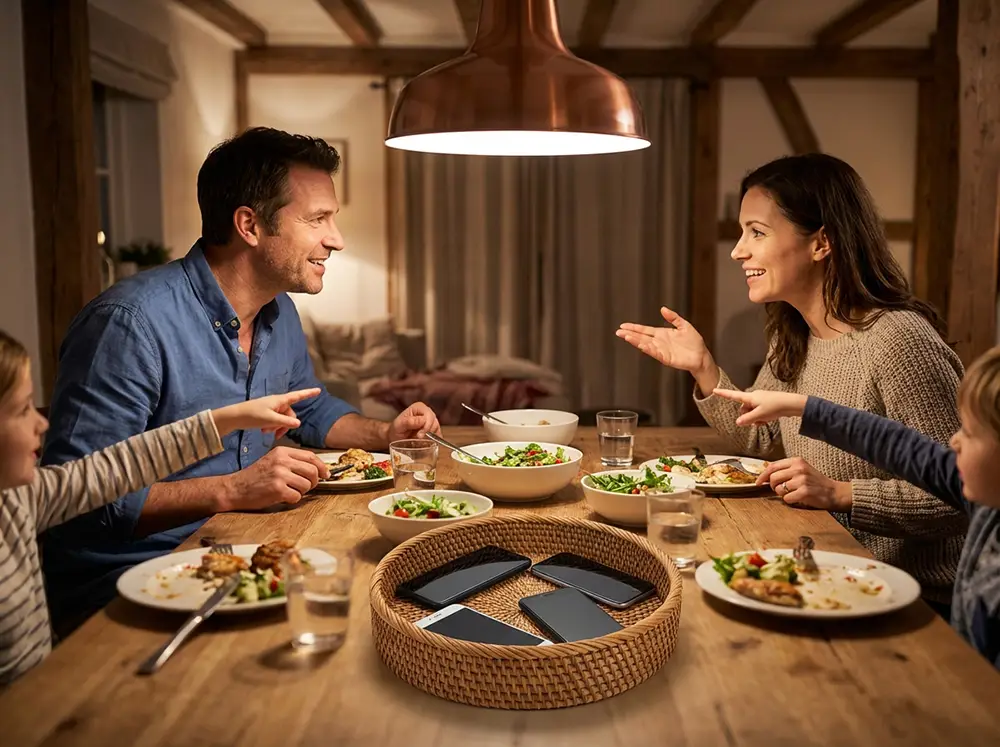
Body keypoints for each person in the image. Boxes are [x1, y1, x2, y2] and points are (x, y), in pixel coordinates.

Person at [41, 127, 441, 635]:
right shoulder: (127, 324)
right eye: (318, 219)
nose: (335, 239)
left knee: (391, 605)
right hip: (123, 594)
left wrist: (386, 436)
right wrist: (232, 489)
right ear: (250, 225)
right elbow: (79, 502)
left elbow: (310, 410)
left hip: (239, 554)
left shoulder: (280, 312)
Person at [617, 153, 966, 614]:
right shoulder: (795, 332)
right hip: (831, 572)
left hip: (918, 601)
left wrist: (840, 493)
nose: (738, 250)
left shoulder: (899, 341)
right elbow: (762, 438)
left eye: (756, 233)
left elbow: (961, 495)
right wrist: (703, 367)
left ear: (821, 243)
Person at [0, 328, 323, 684]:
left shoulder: (20, 499)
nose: (41, 423)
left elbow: (118, 465)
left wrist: (230, 418)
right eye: (22, 409)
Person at [711, 345, 1000, 669]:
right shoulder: (981, 498)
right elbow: (899, 445)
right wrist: (805, 408)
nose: (953, 442)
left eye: (970, 433)